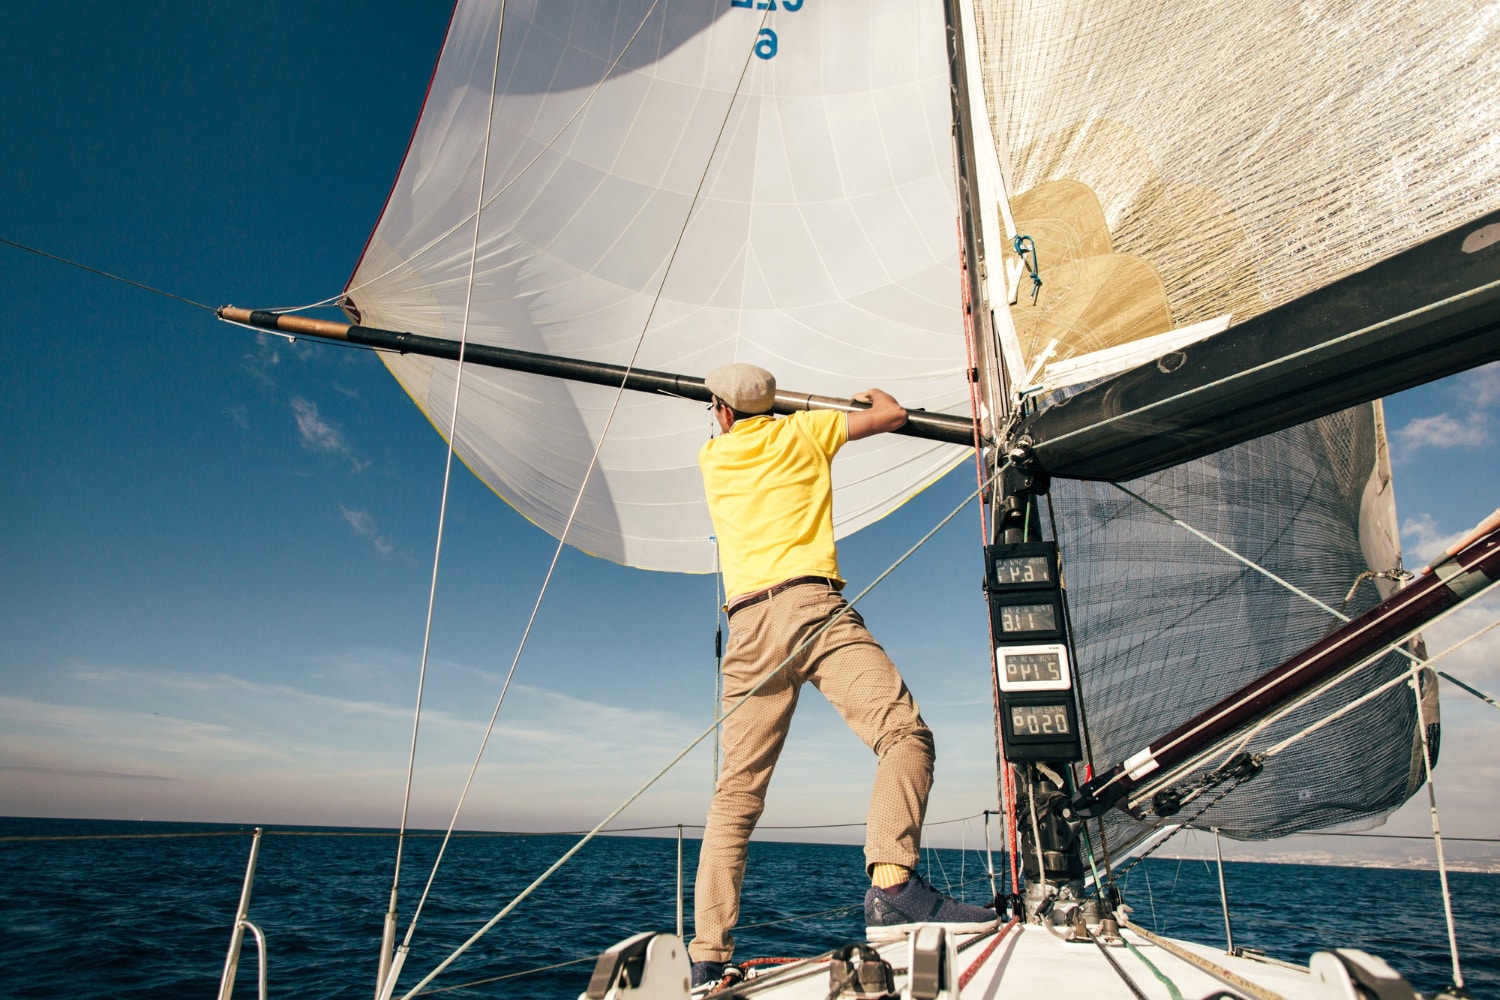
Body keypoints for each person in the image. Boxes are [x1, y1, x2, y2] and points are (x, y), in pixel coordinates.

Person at [688, 363, 996, 988]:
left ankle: (707, 955)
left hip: (747, 629)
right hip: (812, 608)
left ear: (721, 412)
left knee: (735, 795)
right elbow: (892, 413)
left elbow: (738, 422)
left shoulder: (712, 459)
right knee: (904, 735)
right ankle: (892, 886)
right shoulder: (807, 432)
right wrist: (865, 398)